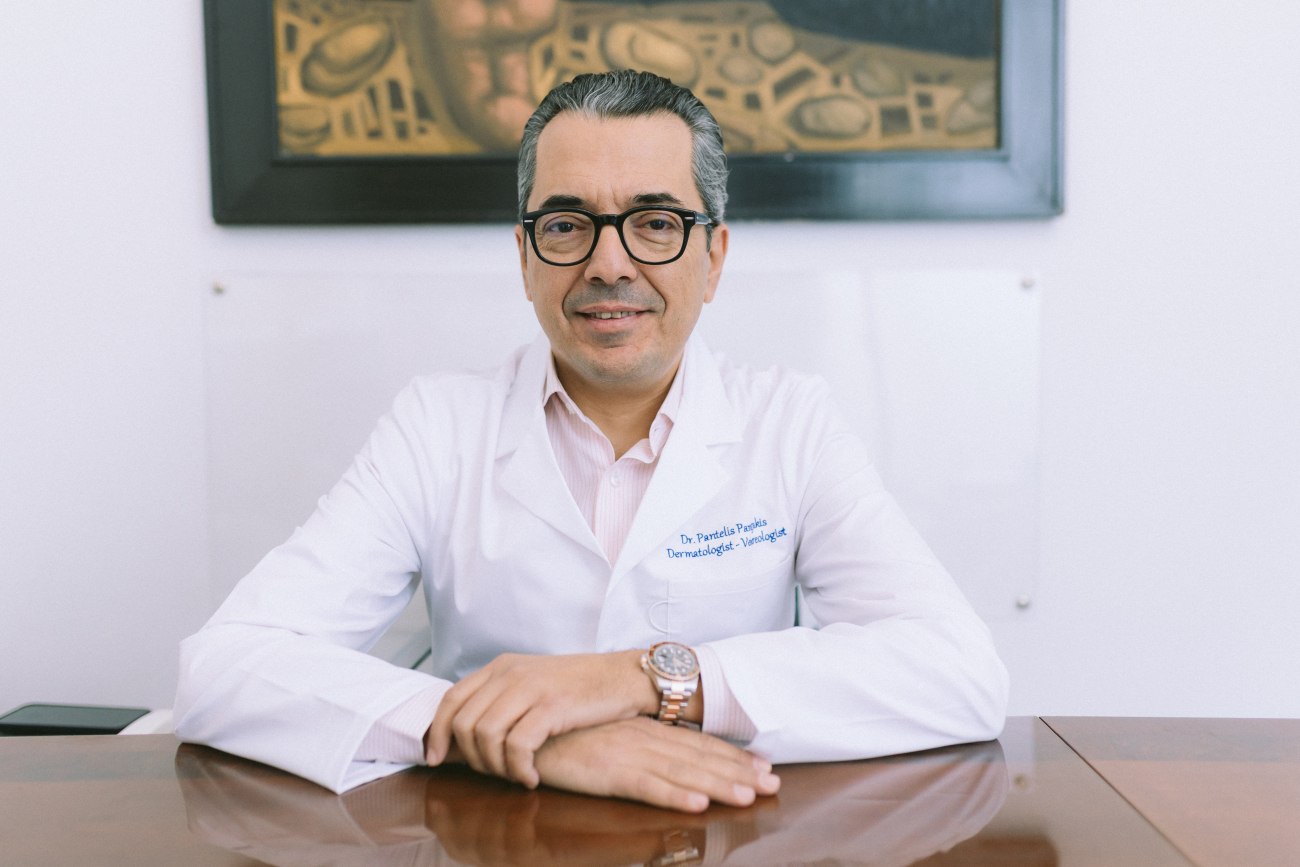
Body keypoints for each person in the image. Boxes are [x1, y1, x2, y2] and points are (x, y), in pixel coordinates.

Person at [175, 69, 1008, 813]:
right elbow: (224, 668)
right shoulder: (438, 426)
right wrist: (523, 734)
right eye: (568, 224)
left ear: (714, 257)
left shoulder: (789, 423)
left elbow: (959, 673)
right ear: (526, 258)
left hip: (724, 830)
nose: (609, 264)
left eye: (655, 222)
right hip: (496, 829)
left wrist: (635, 680)